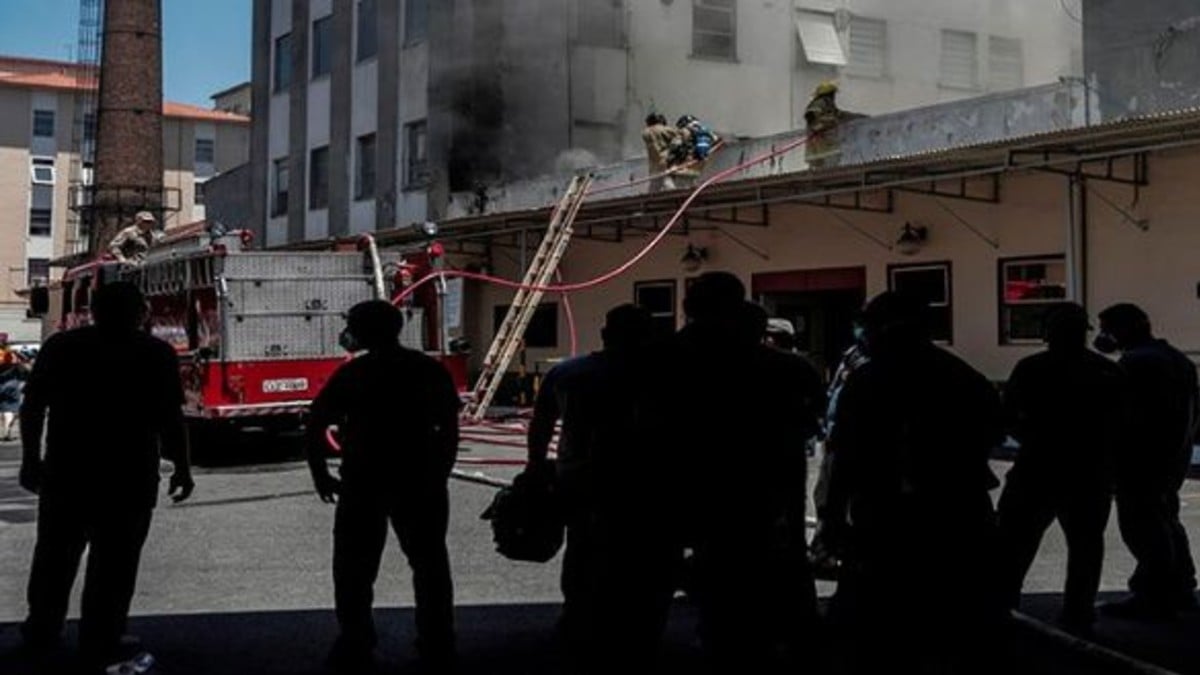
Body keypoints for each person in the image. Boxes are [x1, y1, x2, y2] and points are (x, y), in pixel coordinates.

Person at [647, 274, 824, 672]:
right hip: (770, 494)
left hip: (695, 490)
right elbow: (813, 415)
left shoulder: (663, 358)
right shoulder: (787, 368)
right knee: (773, 571)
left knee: (713, 581)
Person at [824, 291, 1006, 674]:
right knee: (960, 612)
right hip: (958, 508)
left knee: (880, 616)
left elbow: (845, 456)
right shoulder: (964, 376)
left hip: (888, 513)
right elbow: (991, 433)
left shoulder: (869, 380)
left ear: (885, 329)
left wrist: (834, 517)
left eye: (869, 326)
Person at [18, 281, 193, 667]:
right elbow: (170, 418)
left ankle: (42, 629)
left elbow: (32, 407)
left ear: (92, 310)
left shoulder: (62, 348)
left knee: (54, 557)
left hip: (68, 472)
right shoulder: (155, 354)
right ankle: (102, 635)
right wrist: (182, 466)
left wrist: (30, 459)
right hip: (128, 476)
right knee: (115, 564)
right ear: (140, 313)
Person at [305, 300, 460, 671]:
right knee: (430, 563)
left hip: (363, 482)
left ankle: (356, 638)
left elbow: (315, 422)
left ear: (362, 331)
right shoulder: (427, 369)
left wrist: (320, 473)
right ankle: (437, 638)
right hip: (420, 479)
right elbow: (450, 428)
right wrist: (439, 472)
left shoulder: (353, 374)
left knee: (353, 567)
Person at [526, 304, 653, 672]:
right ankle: (636, 629)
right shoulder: (665, 375)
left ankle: (578, 619)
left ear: (605, 334)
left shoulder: (569, 372)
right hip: (645, 481)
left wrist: (536, 467)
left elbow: (542, 423)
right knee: (642, 555)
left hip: (581, 477)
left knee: (583, 550)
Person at [995, 303, 1127, 633]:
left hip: (1037, 468)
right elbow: (1123, 425)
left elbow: (1008, 418)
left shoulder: (1031, 368)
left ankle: (1002, 605)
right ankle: (1078, 612)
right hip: (1089, 473)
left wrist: (1035, 437)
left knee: (1014, 544)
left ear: (1048, 333)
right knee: (1085, 546)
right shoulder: (1107, 371)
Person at [1095, 303, 1199, 619]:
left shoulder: (1135, 363)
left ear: (1123, 329)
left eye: (1107, 329)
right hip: (1172, 457)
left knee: (1142, 526)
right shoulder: (1179, 360)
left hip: (1142, 460)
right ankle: (1181, 587)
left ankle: (1155, 595)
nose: (1103, 337)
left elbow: (1125, 417)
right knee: (1167, 519)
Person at [809, 326, 870, 579]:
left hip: (862, 444)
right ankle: (825, 552)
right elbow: (833, 392)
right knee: (825, 496)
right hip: (836, 438)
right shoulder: (852, 355)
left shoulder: (874, 365)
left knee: (852, 503)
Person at [804, 81, 842, 169]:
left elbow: (840, 116)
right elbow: (810, 118)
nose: (834, 97)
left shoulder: (829, 106)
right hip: (820, 148)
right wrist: (822, 125)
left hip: (825, 149)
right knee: (822, 171)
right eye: (832, 94)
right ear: (828, 94)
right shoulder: (818, 103)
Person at [641, 113, 681, 193]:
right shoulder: (664, 129)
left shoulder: (646, 132)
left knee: (654, 186)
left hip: (654, 165)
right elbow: (680, 138)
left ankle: (648, 201)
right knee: (667, 182)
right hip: (666, 161)